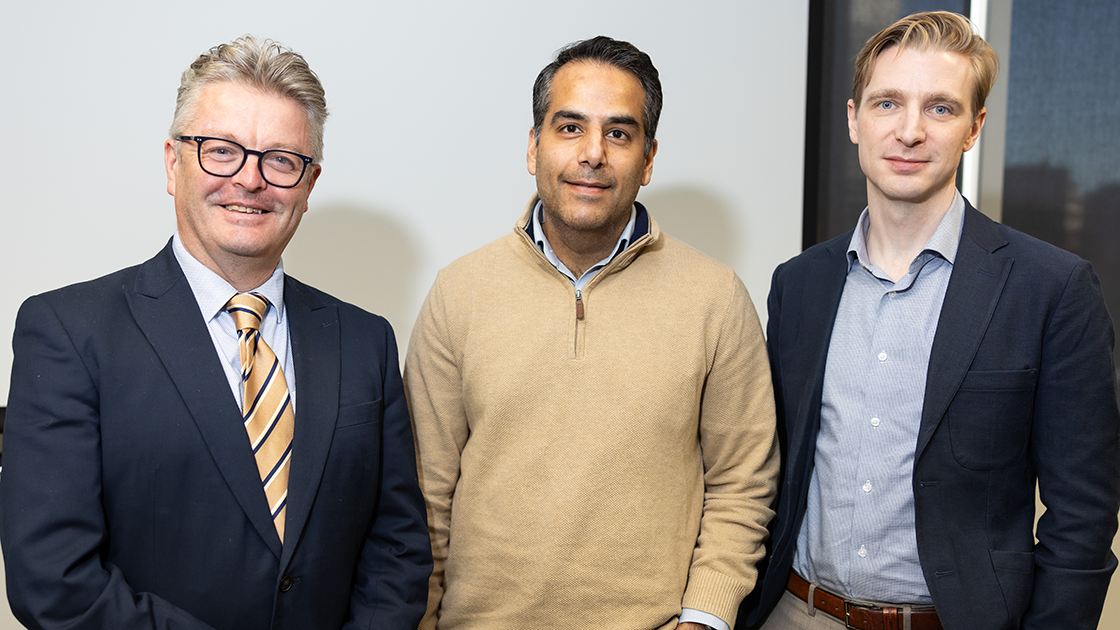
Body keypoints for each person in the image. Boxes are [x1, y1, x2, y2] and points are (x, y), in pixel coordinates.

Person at [0, 35, 431, 630]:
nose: (251, 180)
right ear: (173, 164)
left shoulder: (365, 342)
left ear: (309, 184)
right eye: (221, 150)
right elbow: (53, 579)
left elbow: (398, 551)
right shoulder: (68, 332)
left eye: (280, 158)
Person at [738, 11, 1120, 630]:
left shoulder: (1051, 288)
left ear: (974, 128)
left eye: (940, 108)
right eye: (888, 104)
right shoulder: (799, 283)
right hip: (793, 611)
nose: (910, 131)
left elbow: (1084, 513)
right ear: (854, 119)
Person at [404, 35, 779, 630]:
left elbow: (743, 483)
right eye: (570, 128)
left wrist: (704, 616)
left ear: (649, 160)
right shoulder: (460, 293)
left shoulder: (716, 298)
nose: (593, 154)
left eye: (619, 133)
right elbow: (425, 497)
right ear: (534, 147)